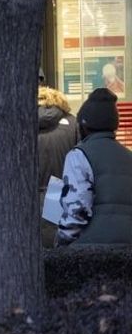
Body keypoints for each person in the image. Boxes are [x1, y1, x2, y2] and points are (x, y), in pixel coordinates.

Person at [57, 88, 132, 246]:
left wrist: (61, 240)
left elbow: (76, 211)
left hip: (93, 248)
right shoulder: (128, 156)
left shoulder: (79, 155)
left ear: (84, 126)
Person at [36, 84, 79, 248]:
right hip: (58, 189)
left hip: (28, 191)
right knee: (54, 244)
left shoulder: (21, 123)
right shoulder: (72, 123)